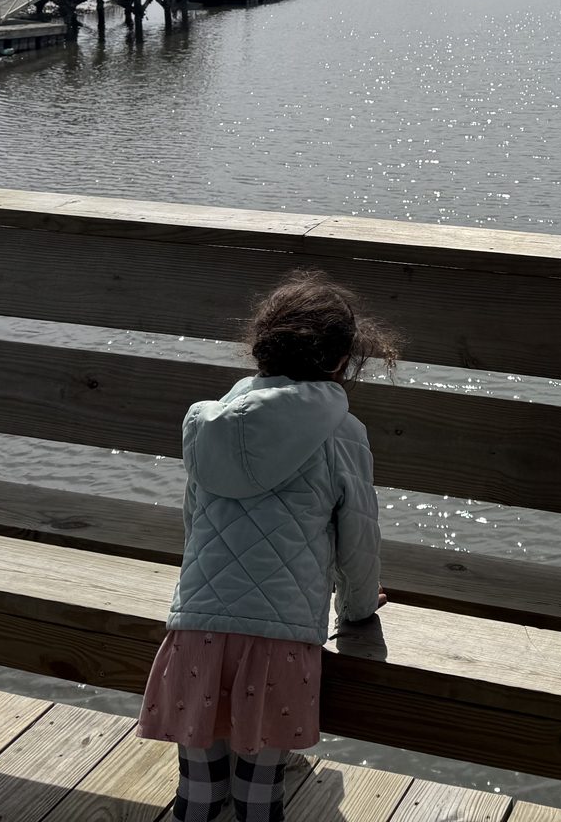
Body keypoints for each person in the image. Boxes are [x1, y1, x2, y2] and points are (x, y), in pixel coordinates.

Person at [140, 272, 392, 821]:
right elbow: (357, 538)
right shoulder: (342, 433)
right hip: (279, 643)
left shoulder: (208, 423)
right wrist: (357, 608)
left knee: (199, 795)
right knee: (258, 799)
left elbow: (192, 524)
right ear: (342, 360)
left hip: (196, 632)